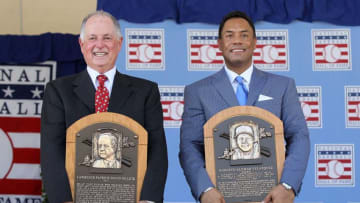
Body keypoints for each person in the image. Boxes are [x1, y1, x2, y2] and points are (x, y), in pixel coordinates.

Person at [179, 10, 310, 203]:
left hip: (272, 197)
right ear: (220, 44)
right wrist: (204, 189)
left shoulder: (283, 86)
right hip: (221, 197)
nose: (237, 41)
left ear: (255, 42)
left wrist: (287, 186)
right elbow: (190, 146)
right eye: (229, 35)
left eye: (244, 35)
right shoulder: (198, 91)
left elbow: (299, 136)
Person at [40, 10, 168, 203]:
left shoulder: (146, 91)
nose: (99, 45)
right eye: (92, 38)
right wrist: (63, 200)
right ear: (82, 45)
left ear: (119, 43)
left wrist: (148, 200)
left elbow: (156, 150)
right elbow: (52, 151)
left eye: (107, 38)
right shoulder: (58, 91)